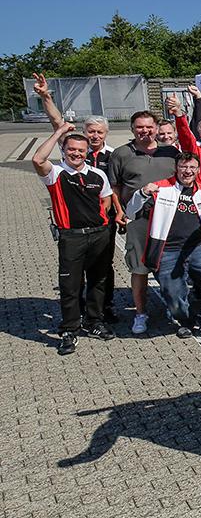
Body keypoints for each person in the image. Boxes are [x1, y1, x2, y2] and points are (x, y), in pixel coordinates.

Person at [125, 153, 201, 340]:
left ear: (198, 170)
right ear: (176, 168)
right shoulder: (160, 189)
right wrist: (142, 193)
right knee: (172, 291)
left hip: (200, 247)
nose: (187, 171)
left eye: (192, 167)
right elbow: (131, 212)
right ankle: (184, 321)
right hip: (167, 248)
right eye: (183, 167)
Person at [33, 123, 116, 354]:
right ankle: (69, 329)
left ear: (87, 152)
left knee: (98, 281)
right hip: (72, 238)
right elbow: (38, 160)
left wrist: (101, 222)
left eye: (81, 150)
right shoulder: (55, 174)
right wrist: (59, 132)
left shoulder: (98, 174)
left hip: (99, 235)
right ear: (64, 150)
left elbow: (106, 200)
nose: (76, 154)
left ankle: (94, 321)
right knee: (70, 286)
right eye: (72, 150)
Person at [108, 110, 180, 335]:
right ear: (132, 129)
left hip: (168, 219)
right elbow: (115, 187)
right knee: (139, 269)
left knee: (171, 266)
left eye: (149, 127)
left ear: (157, 129)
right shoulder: (121, 154)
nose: (145, 131)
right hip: (138, 221)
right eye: (140, 127)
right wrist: (120, 212)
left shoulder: (171, 152)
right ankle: (140, 314)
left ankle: (174, 308)